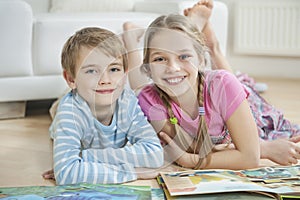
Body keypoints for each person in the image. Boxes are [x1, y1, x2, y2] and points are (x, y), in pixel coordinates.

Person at [123, 0, 300, 169]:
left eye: (183, 56)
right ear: (147, 65)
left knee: (232, 83)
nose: (173, 67)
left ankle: (209, 42)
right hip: (215, 123)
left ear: (201, 60)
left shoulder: (222, 84)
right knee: (141, 91)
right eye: (159, 58)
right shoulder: (148, 99)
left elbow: (248, 156)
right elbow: (194, 146)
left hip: (244, 110)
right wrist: (259, 149)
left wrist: (190, 161)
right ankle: (133, 38)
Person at [42, 27, 163, 185]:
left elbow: (154, 154)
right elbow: (66, 174)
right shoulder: (70, 112)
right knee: (58, 110)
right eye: (92, 71)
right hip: (70, 108)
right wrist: (131, 171)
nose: (105, 79)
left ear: (125, 74)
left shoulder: (127, 101)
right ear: (71, 78)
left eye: (114, 69)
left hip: (91, 99)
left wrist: (86, 157)